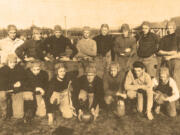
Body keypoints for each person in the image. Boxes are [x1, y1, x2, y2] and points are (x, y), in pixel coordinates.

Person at [157, 21, 180, 91]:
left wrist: (170, 57)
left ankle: (177, 95)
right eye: (168, 28)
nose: (169, 29)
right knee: (165, 78)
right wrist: (170, 53)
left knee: (176, 78)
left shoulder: (178, 38)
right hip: (165, 61)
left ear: (174, 28)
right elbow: (159, 51)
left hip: (175, 61)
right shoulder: (164, 38)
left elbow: (178, 54)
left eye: (171, 28)